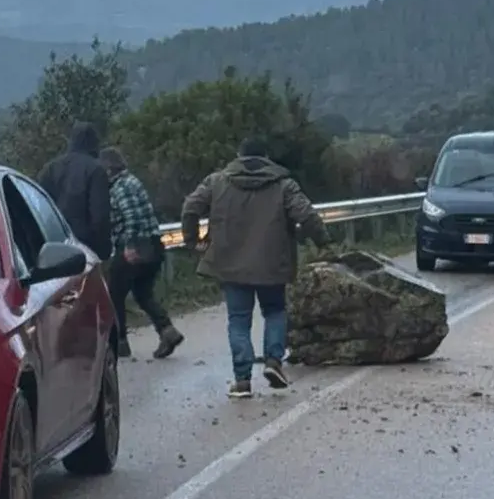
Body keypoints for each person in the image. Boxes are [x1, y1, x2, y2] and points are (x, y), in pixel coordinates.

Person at [181, 136, 329, 398]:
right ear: (266, 159)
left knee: (238, 320)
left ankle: (242, 381)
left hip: (229, 263)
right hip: (272, 263)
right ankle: (273, 361)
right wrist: (320, 242)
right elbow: (307, 215)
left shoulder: (217, 181)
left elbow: (190, 207)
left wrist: (194, 242)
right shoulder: (283, 185)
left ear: (239, 155)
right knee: (274, 311)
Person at [100, 147, 182, 360]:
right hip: (153, 245)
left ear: (109, 169)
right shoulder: (133, 181)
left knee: (114, 293)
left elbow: (132, 218)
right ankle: (167, 330)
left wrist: (129, 246)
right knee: (143, 293)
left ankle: (120, 342)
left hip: (137, 246)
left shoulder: (121, 187)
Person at [38, 122, 113, 263]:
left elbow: (41, 209)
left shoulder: (50, 168)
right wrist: (104, 250)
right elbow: (100, 216)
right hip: (86, 249)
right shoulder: (96, 170)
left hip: (54, 248)